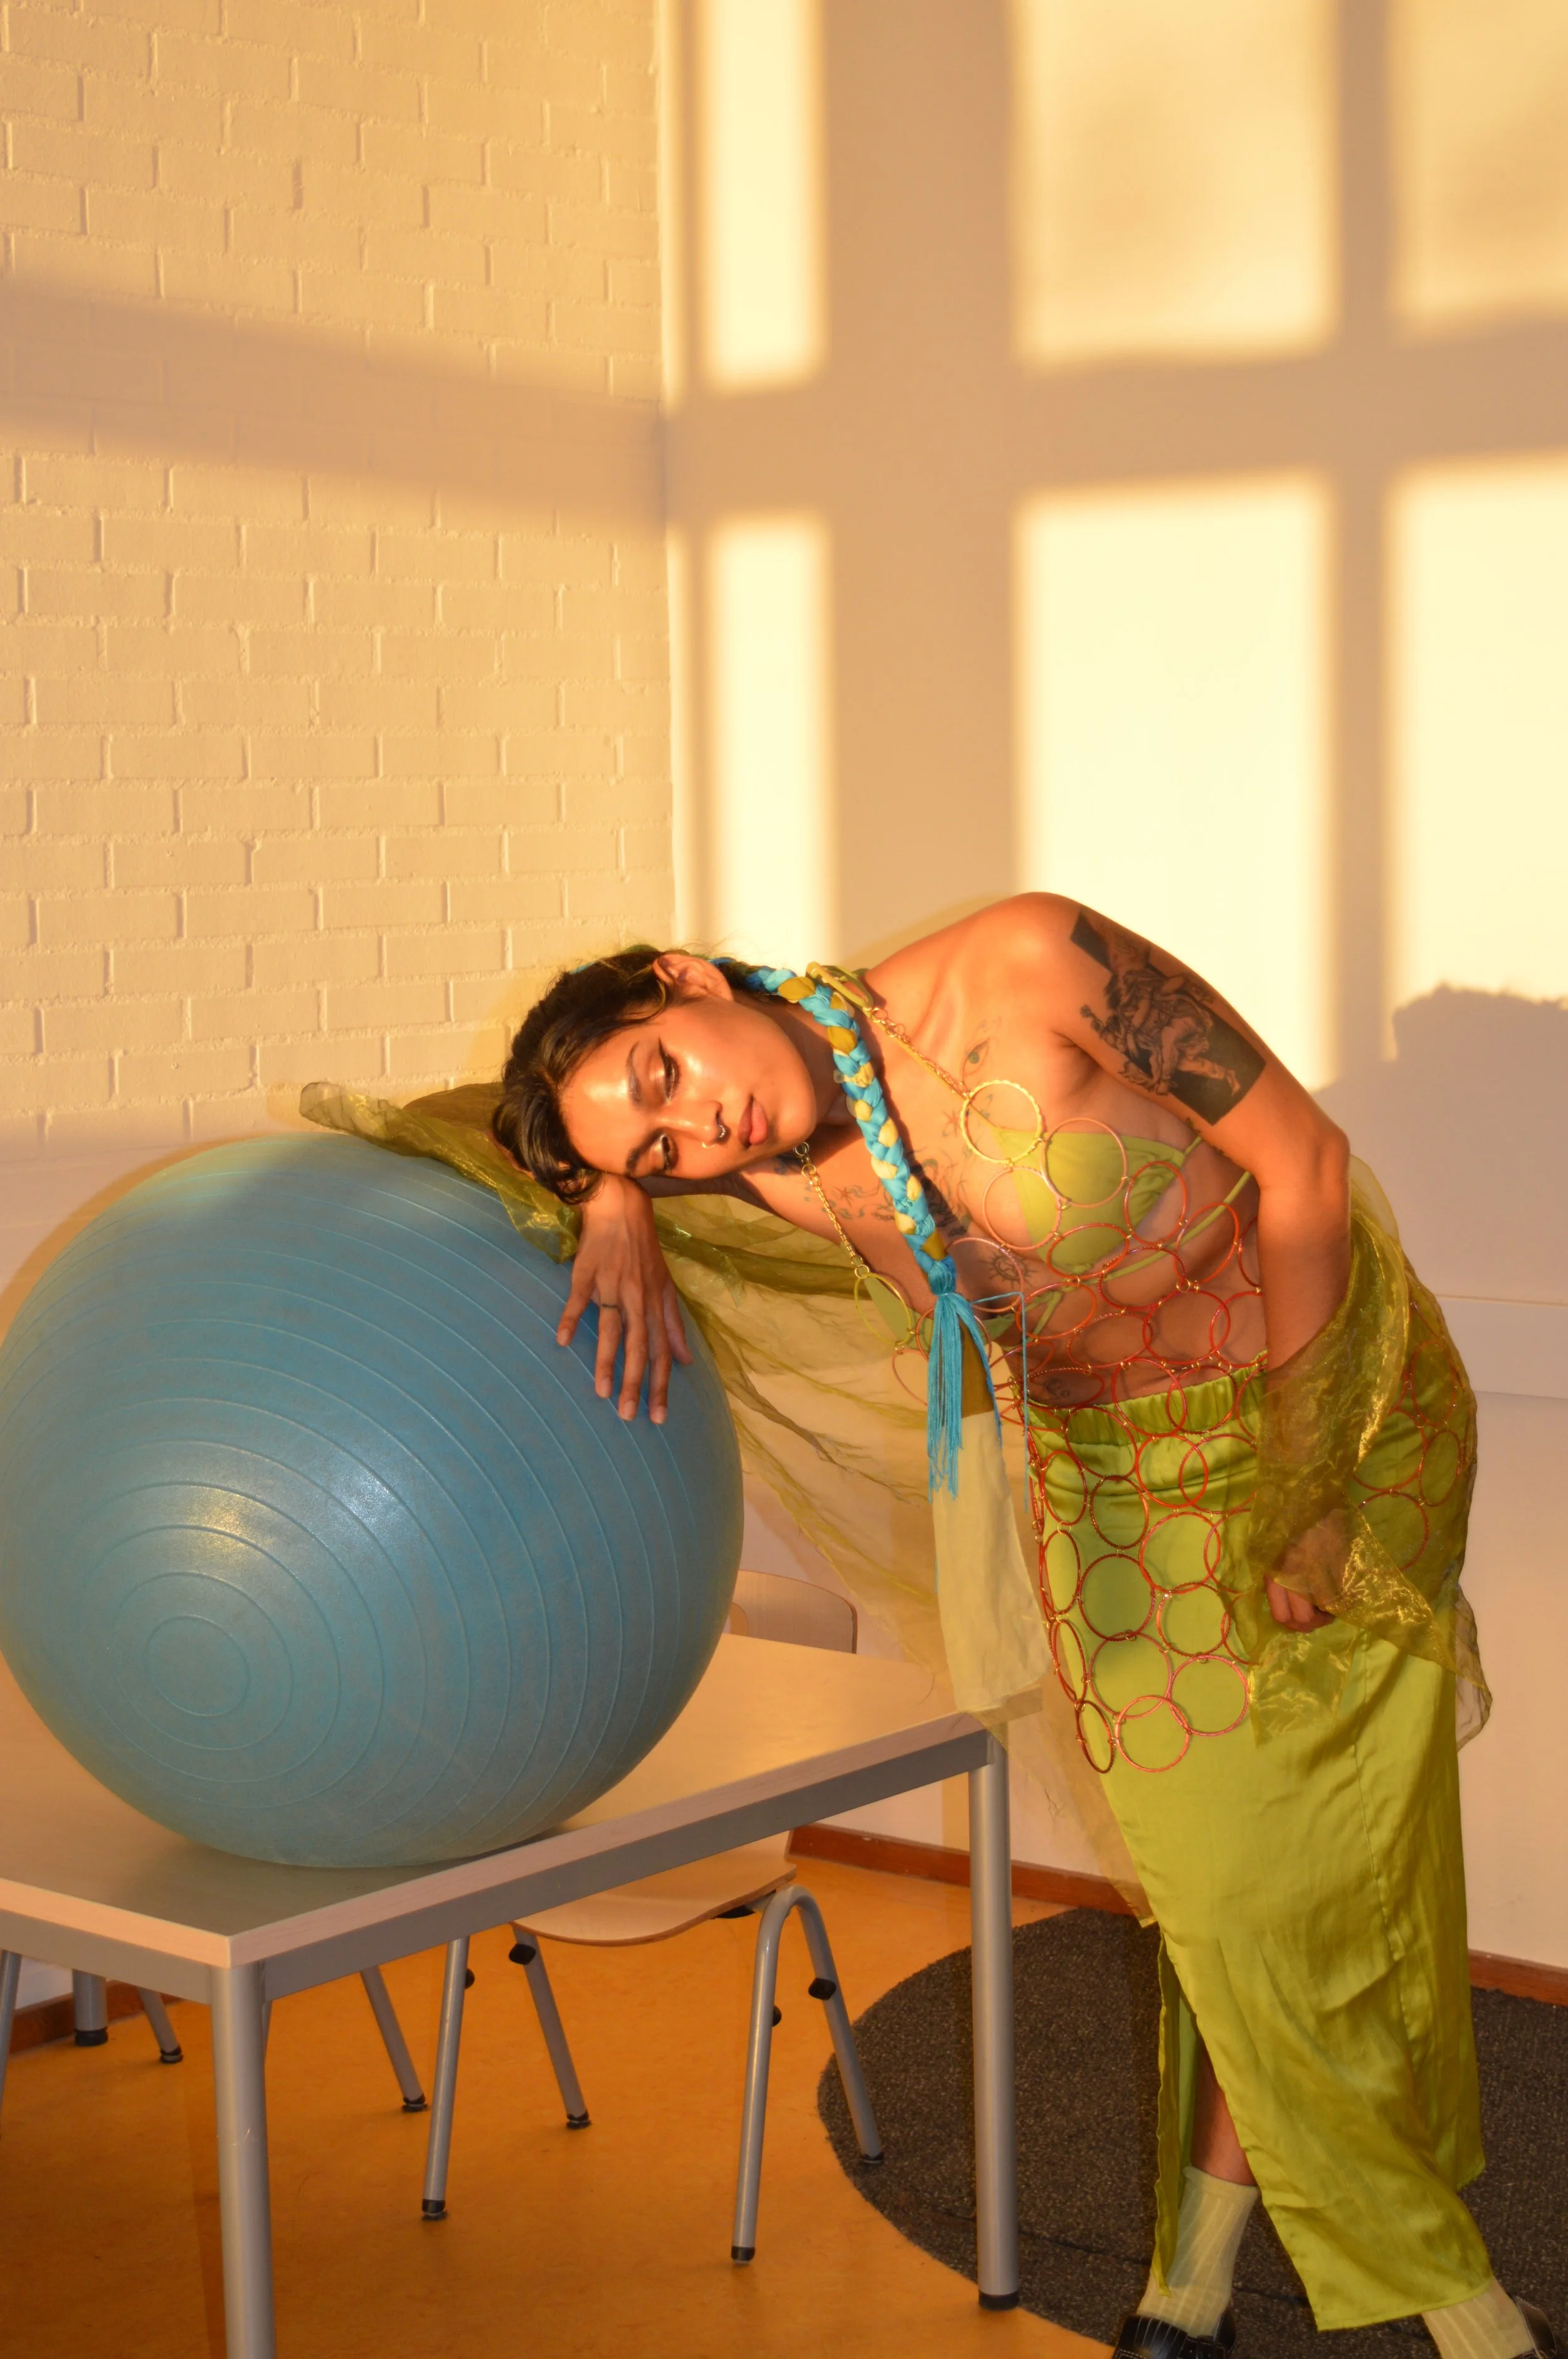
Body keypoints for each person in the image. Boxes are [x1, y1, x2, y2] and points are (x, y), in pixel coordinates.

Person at [320, 895, 1549, 2359]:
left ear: (687, 977)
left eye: (664, 1077)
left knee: (1329, 1866)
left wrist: (1311, 1488)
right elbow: (447, 1124)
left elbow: (1304, 1169)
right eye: (658, 1145)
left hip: (1336, 1425)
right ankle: (1317, 2272)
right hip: (1115, 1511)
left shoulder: (1023, 967)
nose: (699, 1126)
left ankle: (1247, 2287)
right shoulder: (759, 1174)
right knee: (1236, 1896)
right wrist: (609, 1195)